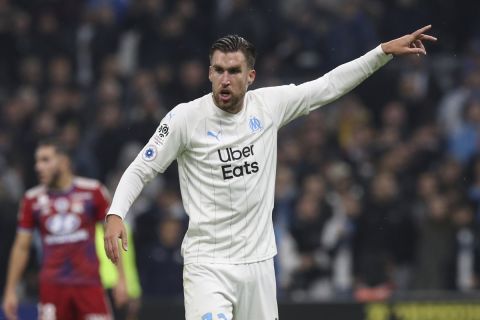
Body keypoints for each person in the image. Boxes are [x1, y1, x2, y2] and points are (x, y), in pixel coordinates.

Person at [104, 25, 437, 319]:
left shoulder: (269, 106)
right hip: (207, 265)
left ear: (250, 76)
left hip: (259, 265)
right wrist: (116, 213)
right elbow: (139, 169)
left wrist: (381, 53)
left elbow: (328, 86)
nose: (224, 79)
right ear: (208, 73)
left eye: (233, 71)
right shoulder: (184, 119)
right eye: (218, 70)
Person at [2, 139, 127, 320]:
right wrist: (10, 290)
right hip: (52, 287)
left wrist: (121, 279)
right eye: (37, 161)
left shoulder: (93, 192)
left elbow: (111, 236)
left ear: (64, 162)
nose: (38, 167)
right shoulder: (32, 200)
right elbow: (21, 247)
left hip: (89, 284)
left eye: (45, 160)